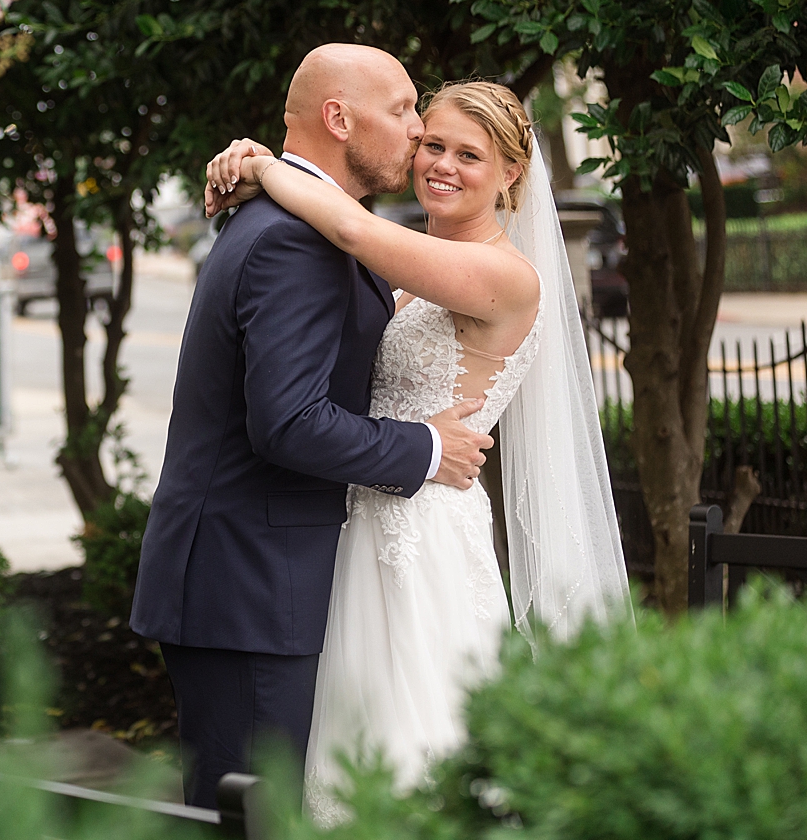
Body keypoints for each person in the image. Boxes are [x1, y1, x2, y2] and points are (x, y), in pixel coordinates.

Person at [205, 75, 630, 823]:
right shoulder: (415, 267)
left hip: (425, 531)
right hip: (363, 516)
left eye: (470, 154)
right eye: (431, 143)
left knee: (416, 734)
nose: (441, 163)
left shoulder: (503, 273)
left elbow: (355, 233)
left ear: (511, 175)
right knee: (352, 736)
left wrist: (268, 164)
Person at [128, 44, 496, 811]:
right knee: (251, 816)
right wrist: (427, 447)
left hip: (261, 576)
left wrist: (264, 166)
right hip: (245, 586)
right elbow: (289, 423)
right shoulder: (294, 238)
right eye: (400, 110)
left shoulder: (301, 217)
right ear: (339, 117)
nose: (417, 126)